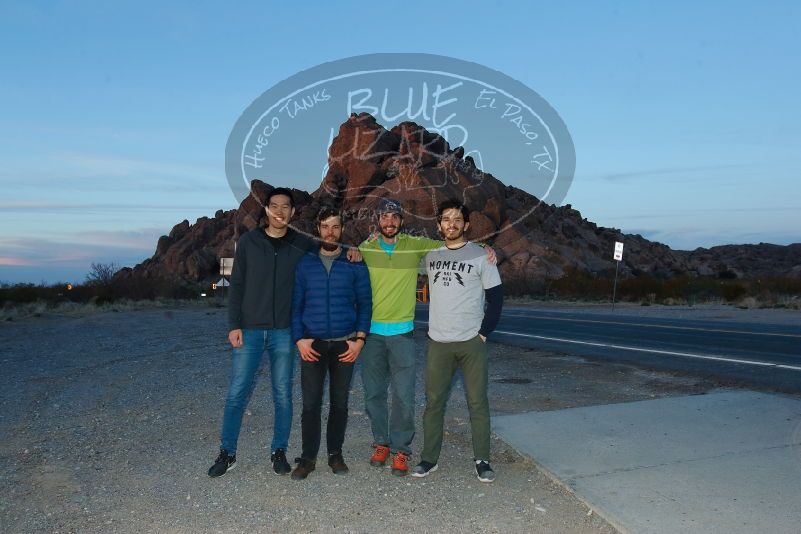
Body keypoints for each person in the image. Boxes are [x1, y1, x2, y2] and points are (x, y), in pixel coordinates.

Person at [208, 188, 360, 478]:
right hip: (250, 330)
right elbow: (237, 285)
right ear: (266, 210)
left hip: (284, 332)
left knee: (282, 394)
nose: (279, 211)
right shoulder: (249, 242)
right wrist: (233, 324)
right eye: (274, 206)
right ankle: (227, 453)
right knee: (237, 392)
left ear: (292, 212)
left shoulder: (302, 243)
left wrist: (354, 248)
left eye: (285, 207)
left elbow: (331, 245)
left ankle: (279, 451)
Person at [357, 198, 495, 476]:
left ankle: (401, 450)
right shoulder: (364, 248)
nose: (389, 222)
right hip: (371, 334)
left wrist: (487, 248)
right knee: (373, 394)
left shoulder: (417, 246)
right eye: (384, 217)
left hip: (402, 333)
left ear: (401, 221)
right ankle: (380, 443)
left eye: (394, 217)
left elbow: (456, 246)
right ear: (377, 221)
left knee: (404, 396)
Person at [411, 199, 503, 483]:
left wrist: (484, 332)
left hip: (471, 341)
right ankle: (429, 459)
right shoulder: (431, 255)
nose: (452, 224)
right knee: (434, 402)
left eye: (457, 219)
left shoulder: (480, 256)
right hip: (438, 341)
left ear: (466, 224)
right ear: (439, 225)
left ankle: (482, 460)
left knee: (477, 402)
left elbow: (496, 297)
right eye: (446, 219)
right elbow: (396, 252)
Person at [289, 207, 372, 480]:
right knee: (311, 405)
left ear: (342, 229)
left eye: (335, 227)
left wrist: (359, 340)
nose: (330, 232)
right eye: (325, 226)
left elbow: (365, 304)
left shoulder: (354, 262)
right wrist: (299, 339)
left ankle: (335, 455)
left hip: (344, 345)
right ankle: (308, 458)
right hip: (312, 346)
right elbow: (296, 305)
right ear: (318, 228)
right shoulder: (305, 263)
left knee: (339, 404)